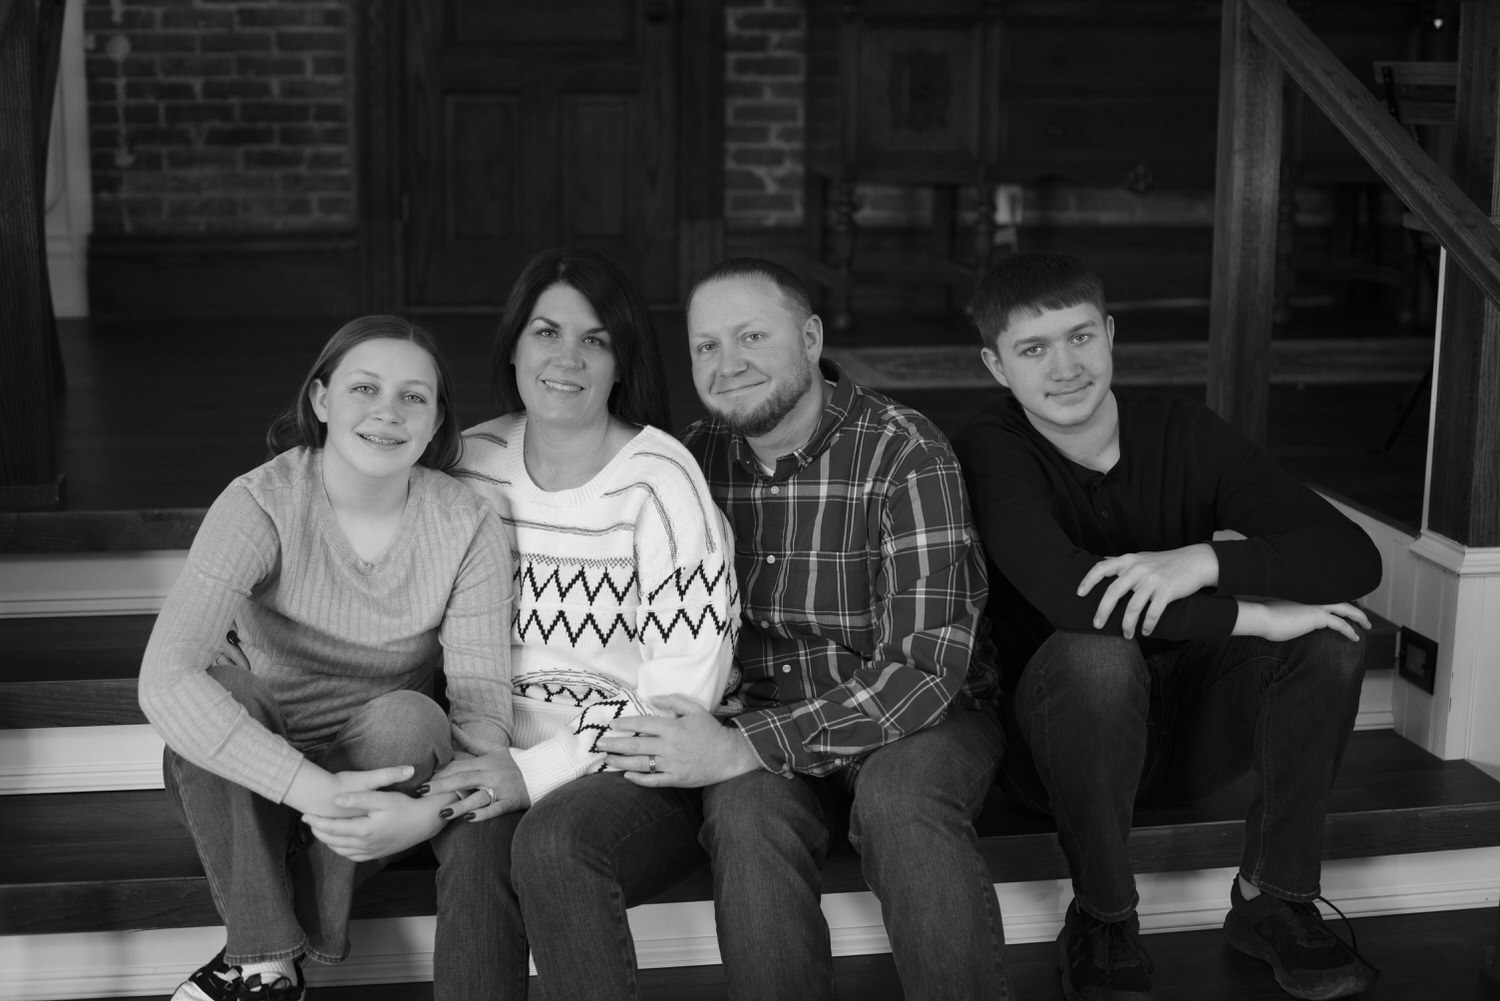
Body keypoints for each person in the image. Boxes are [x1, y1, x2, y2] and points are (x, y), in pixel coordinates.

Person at [952, 252, 1383, 1001]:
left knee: (1333, 635)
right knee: (1097, 653)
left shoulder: (1184, 431)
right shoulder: (991, 452)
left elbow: (1354, 554)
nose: (1066, 366)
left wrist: (1204, 563)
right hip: (1052, 746)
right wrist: (1256, 613)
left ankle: (1272, 899)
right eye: (1034, 348)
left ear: (1110, 333)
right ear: (996, 364)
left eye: (1081, 336)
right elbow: (1079, 602)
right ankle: (1103, 916)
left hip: (1184, 729)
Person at [593, 257, 1011, 1001]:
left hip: (924, 715)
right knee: (743, 812)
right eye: (706, 347)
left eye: (753, 335)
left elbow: (922, 671)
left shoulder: (904, 450)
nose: (728, 365)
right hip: (766, 716)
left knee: (900, 801)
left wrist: (740, 744)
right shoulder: (688, 462)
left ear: (811, 337)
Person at [139, 315, 514, 1001]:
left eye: (414, 397)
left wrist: (432, 812)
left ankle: (258, 964)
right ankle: (267, 964)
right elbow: (163, 679)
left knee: (413, 718)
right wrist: (314, 790)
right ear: (320, 400)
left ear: (436, 422)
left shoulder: (466, 523)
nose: (387, 412)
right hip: (245, 775)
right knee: (218, 693)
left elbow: (484, 713)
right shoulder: (261, 501)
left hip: (376, 774)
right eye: (364, 387)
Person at [429, 247, 739, 1000]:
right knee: (472, 853)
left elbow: (679, 699)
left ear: (622, 360)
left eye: (594, 339)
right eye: (547, 332)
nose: (567, 357)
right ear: (513, 346)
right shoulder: (469, 462)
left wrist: (529, 773)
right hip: (491, 746)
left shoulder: (660, 481)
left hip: (634, 765)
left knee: (554, 840)